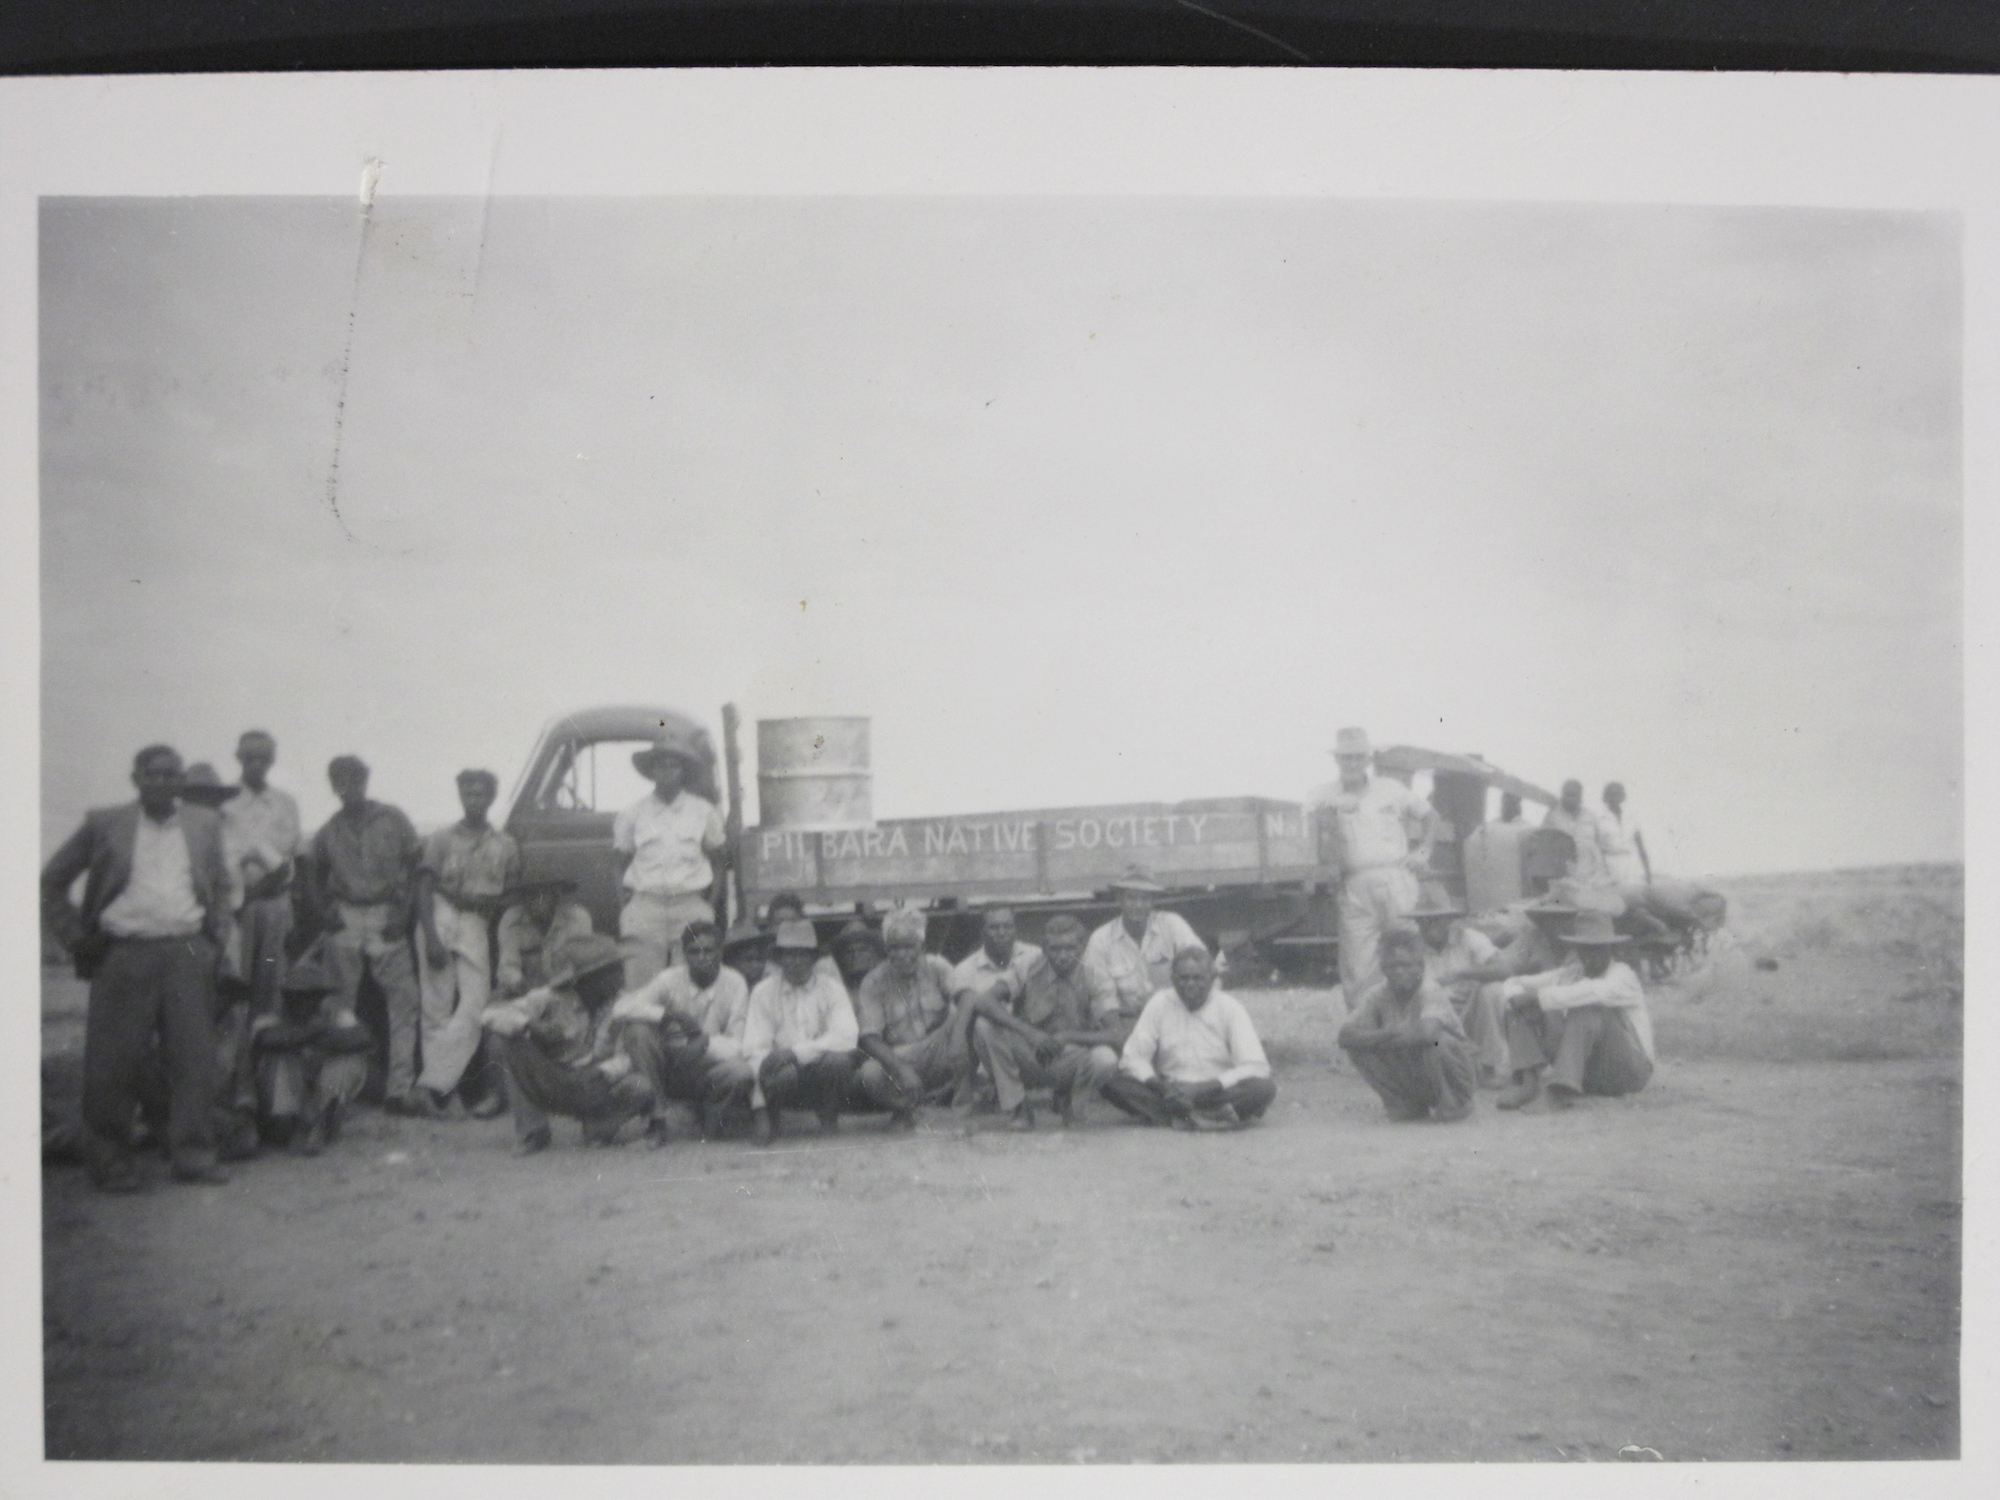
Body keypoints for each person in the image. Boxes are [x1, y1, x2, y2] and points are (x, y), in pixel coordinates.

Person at [41, 745, 238, 1190]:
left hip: (188, 950)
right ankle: (110, 1164)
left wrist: (216, 936)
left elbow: (221, 884)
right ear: (136, 778)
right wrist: (76, 938)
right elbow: (52, 882)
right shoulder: (104, 823)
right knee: (113, 1064)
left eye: (172, 776)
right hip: (124, 952)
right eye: (153, 775)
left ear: (182, 780)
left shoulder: (203, 824)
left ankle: (193, 1155)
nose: (163, 783)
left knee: (194, 1060)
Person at [304, 755, 427, 1115]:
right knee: (340, 1004)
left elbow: (417, 867)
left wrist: (404, 914)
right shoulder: (329, 829)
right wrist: (324, 913)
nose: (348, 787)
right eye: (339, 781)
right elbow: (311, 870)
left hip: (386, 913)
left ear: (366, 779)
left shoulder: (393, 818)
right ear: (332, 786)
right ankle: (336, 1091)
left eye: (354, 779)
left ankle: (399, 1089)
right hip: (346, 915)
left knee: (404, 1002)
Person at [481, 933, 656, 1154]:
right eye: (608, 973)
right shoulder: (553, 997)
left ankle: (600, 1126)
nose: (618, 977)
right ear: (584, 980)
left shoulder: (624, 1004)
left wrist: (603, 1071)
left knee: (641, 1086)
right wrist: (530, 1026)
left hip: (597, 1082)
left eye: (616, 969)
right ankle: (533, 1131)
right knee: (504, 1041)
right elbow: (489, 1015)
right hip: (554, 1078)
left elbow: (629, 1056)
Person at [414, 769, 521, 1115]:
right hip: (441, 913)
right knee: (436, 1007)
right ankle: (447, 1094)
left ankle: (431, 1084)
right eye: (467, 794)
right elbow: (424, 887)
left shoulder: (504, 844)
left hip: (477, 921)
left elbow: (511, 895)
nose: (474, 801)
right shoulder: (441, 839)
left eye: (480, 795)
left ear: (491, 797)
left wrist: (489, 906)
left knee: (475, 1005)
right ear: (460, 796)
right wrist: (430, 934)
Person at [1306, 726, 1438, 1004]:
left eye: (1357, 757)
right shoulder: (1321, 795)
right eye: (1345, 758)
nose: (1351, 763)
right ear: (1337, 761)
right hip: (1352, 885)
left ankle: (1417, 1028)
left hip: (1395, 879)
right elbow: (1305, 831)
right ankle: (1366, 1037)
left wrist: (1424, 850)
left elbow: (1430, 817)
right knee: (1357, 966)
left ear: (1367, 759)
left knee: (1408, 953)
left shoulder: (1390, 789)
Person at [172, 762, 261, 1160]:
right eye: (194, 798)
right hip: (185, 933)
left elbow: (278, 867)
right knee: (185, 1020)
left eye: (208, 798)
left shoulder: (235, 830)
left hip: (227, 930)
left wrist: (244, 907)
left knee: (230, 1017)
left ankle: (231, 1107)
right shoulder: (173, 832)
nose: (202, 805)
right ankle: (179, 1115)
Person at [968, 914, 1121, 1130]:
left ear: (1082, 947)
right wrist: (1031, 1034)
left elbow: (1115, 1033)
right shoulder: (1028, 965)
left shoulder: (1095, 974)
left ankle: (1070, 1102)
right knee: (983, 1027)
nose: (1063, 956)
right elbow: (984, 1001)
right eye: (1055, 949)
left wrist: (1067, 1037)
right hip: (1030, 1053)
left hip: (1071, 1057)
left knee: (1105, 1059)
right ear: (1044, 949)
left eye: (1070, 949)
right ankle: (1019, 1106)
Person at [611, 919, 757, 1142]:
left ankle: (710, 1116)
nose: (701, 958)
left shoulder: (735, 983)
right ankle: (657, 1120)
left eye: (708, 951)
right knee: (638, 1031)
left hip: (707, 1067)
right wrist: (667, 1015)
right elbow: (622, 1007)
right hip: (670, 1065)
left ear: (720, 952)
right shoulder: (669, 979)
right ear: (684, 954)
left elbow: (739, 1044)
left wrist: (704, 1044)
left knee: (740, 1072)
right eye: (694, 952)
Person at [1495, 909, 1654, 1110]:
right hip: (1589, 1075)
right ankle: (1528, 1081)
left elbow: (1593, 991)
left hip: (1628, 1072)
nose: (1590, 956)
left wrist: (1538, 996)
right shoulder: (1572, 973)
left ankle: (1560, 1091)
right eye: (1584, 949)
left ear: (1611, 950)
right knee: (1524, 1005)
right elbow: (1519, 982)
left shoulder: (1623, 976)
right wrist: (1517, 995)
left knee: (1585, 1008)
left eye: (1598, 949)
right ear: (1577, 950)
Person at [1102, 946, 1275, 1130]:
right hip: (1170, 1090)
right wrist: (1162, 1088)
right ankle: (1210, 1116)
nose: (1190, 984)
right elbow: (1133, 1058)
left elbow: (1255, 1065)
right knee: (1110, 1081)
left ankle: (1178, 1117)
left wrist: (1205, 1087)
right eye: (1183, 978)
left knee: (1263, 1089)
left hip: (1215, 1090)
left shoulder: (1230, 1008)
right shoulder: (1159, 1003)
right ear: (1173, 979)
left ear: (1212, 979)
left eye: (1197, 978)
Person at [613, 733, 726, 988]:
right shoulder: (633, 813)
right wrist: (625, 903)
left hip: (689, 904)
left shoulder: (703, 811)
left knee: (690, 983)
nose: (667, 771)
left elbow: (719, 861)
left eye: (673, 765)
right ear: (651, 771)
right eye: (660, 765)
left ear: (683, 771)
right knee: (641, 986)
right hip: (646, 906)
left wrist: (709, 905)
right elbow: (619, 862)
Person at [1338, 927, 1478, 1123]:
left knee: (1436, 1043)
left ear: (1420, 966)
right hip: (1415, 1069)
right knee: (1359, 1049)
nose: (1399, 972)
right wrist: (1394, 1035)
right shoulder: (1377, 994)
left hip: (1455, 1074)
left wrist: (1379, 1037)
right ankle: (1404, 1104)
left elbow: (1427, 1033)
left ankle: (1455, 1103)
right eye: (1392, 966)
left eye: (1405, 965)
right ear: (1383, 969)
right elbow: (1345, 1035)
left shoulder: (1430, 990)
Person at [849, 908, 971, 1128]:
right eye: (895, 948)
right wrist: (902, 1069)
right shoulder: (874, 981)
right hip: (901, 1056)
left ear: (921, 947)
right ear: (886, 949)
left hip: (938, 1048)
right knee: (870, 1073)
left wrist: (959, 1036)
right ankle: (908, 1109)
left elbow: (967, 998)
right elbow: (870, 1037)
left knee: (969, 1021)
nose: (902, 954)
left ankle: (962, 1110)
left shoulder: (937, 967)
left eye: (908, 946)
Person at [742, 920, 859, 1139]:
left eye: (803, 954)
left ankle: (829, 1117)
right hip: (782, 1072)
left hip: (819, 1069)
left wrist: (795, 1053)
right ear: (778, 959)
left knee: (839, 1062)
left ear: (814, 958)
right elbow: (754, 1049)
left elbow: (847, 1036)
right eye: (789, 954)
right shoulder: (763, 992)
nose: (796, 961)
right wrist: (759, 1108)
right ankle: (773, 1116)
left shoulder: (831, 988)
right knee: (778, 1072)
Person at [249, 952, 372, 1156]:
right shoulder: (271, 1017)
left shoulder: (334, 1014)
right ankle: (299, 1125)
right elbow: (267, 1040)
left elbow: (361, 1038)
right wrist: (315, 1032)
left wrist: (306, 1036)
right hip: (281, 1111)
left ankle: (316, 1122)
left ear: (320, 996)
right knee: (279, 1057)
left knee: (348, 1059)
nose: (303, 1001)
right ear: (287, 996)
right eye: (297, 995)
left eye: (310, 995)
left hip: (320, 1103)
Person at [219, 731, 303, 1015]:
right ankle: (235, 1058)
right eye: (250, 756)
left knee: (271, 987)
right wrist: (241, 897)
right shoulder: (224, 802)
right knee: (233, 985)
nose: (256, 763)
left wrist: (263, 889)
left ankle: (265, 1054)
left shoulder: (285, 803)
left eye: (263, 757)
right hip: (233, 909)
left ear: (272, 760)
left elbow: (289, 857)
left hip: (274, 904)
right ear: (238, 757)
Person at [949, 908, 1044, 1111]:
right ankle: (1017, 1105)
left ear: (1015, 929)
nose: (1001, 932)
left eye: (1007, 926)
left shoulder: (1035, 956)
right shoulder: (967, 969)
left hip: (1032, 1037)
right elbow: (963, 1019)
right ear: (982, 932)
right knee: (982, 1025)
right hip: (992, 1046)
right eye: (994, 927)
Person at [1410, 898, 1514, 1084]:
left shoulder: (1470, 938)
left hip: (1471, 1012)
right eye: (1424, 921)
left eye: (1436, 920)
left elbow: (1504, 969)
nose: (1429, 926)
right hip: (1434, 1015)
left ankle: (1488, 1067)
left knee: (1493, 991)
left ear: (1448, 920)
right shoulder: (1413, 946)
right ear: (1417, 923)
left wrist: (1462, 974)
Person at [1083, 866, 1203, 1014]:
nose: (1138, 905)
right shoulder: (1100, 939)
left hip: (1175, 1015)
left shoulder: (1172, 924)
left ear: (1153, 901)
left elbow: (1201, 963)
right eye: (1131, 898)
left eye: (1145, 898)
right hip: (1128, 1020)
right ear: (1120, 899)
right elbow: (1105, 1001)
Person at [494, 876, 596, 998]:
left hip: (569, 993)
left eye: (543, 894)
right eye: (530, 894)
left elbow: (585, 965)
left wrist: (558, 988)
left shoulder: (577, 918)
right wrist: (518, 983)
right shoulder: (512, 921)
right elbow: (507, 967)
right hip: (527, 996)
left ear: (555, 895)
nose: (536, 900)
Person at [1461, 791, 1529, 913]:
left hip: (1513, 889)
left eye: (1513, 802)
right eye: (1506, 802)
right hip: (1490, 891)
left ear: (1519, 805)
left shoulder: (1527, 829)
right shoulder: (1485, 829)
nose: (1508, 805)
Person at [1542, 780, 1614, 888]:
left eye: (1572, 795)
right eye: (1565, 794)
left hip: (1593, 876)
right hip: (1565, 877)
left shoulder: (1591, 816)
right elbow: (1543, 845)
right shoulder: (1552, 816)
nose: (1568, 798)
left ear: (1580, 797)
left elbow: (1600, 845)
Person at [1600, 782, 1652, 887]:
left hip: (1632, 865)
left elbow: (1641, 847)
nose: (1614, 798)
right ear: (1605, 797)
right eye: (1611, 794)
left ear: (1622, 797)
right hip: (1610, 865)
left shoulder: (1631, 819)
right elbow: (1597, 848)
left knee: (1637, 895)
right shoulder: (1600, 819)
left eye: (1617, 794)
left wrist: (1648, 872)